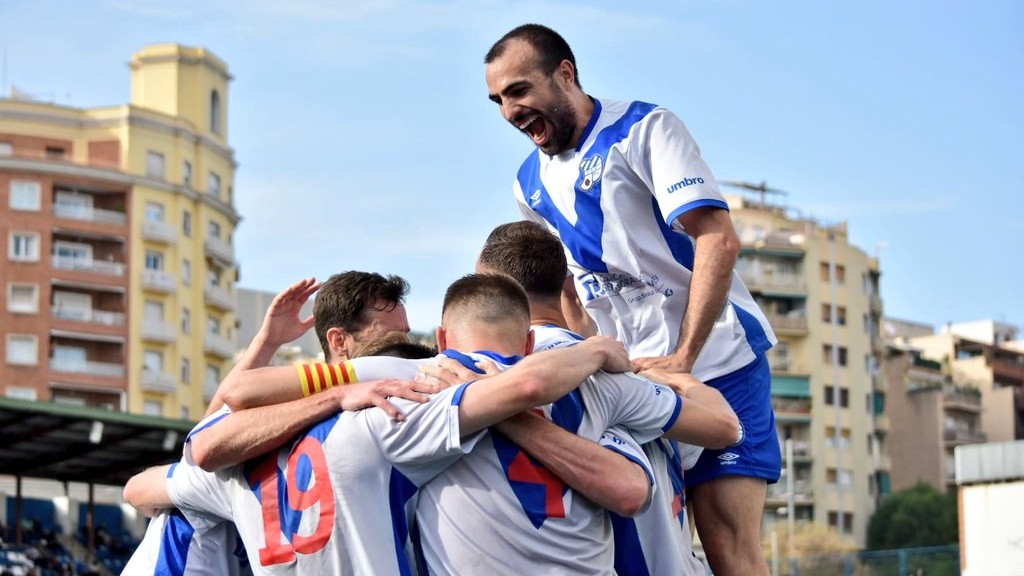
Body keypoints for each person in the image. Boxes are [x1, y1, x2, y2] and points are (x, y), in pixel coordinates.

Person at [484, 24, 781, 575]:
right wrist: (589, 359)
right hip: (630, 386)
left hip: (717, 366)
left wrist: (685, 357)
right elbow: (568, 288)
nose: (509, 111)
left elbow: (718, 238)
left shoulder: (645, 128)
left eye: (519, 90)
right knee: (645, 548)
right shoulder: (528, 182)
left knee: (727, 550)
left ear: (565, 73)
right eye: (498, 100)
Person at [125, 274, 646, 575]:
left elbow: (175, 463)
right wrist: (594, 347)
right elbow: (525, 391)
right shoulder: (387, 415)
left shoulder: (236, 463)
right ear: (341, 346)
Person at [478, 220, 724, 575]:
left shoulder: (481, 377)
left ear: (487, 289)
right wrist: (678, 376)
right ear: (569, 287)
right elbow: (722, 430)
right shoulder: (630, 375)